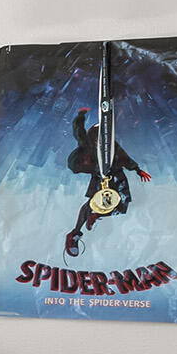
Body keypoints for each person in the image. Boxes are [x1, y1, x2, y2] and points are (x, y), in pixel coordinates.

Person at [64, 106, 153, 259]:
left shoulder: (113, 146)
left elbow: (124, 158)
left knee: (122, 204)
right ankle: (75, 233)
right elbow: (78, 130)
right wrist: (81, 114)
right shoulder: (86, 144)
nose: (101, 141)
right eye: (98, 138)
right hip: (100, 176)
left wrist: (137, 170)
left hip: (117, 175)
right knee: (92, 202)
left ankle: (96, 215)